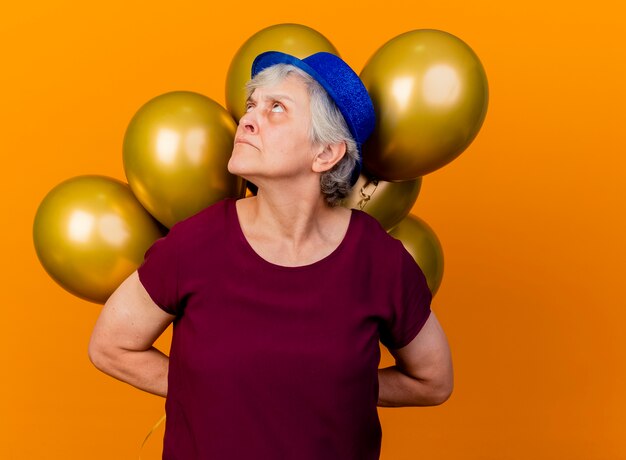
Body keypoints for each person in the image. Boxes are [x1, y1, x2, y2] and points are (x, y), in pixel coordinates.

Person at [89, 51, 453, 460]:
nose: (247, 119)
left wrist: (320, 386)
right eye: (251, 104)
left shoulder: (379, 260)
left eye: (276, 108)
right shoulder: (195, 242)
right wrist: (220, 390)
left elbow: (433, 382)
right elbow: (110, 346)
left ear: (326, 154)